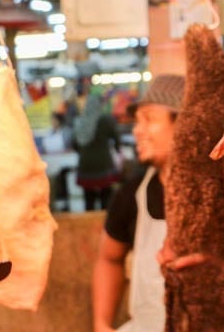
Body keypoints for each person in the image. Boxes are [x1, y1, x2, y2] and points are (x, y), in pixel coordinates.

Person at [92, 74, 184, 332]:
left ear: (184, 125)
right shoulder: (132, 193)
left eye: (149, 119)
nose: (136, 131)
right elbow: (109, 258)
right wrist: (101, 324)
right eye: (137, 121)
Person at [74, 94, 122, 211]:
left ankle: (89, 224)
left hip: (86, 166)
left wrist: (84, 153)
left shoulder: (81, 121)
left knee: (89, 200)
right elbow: (116, 138)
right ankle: (105, 226)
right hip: (103, 164)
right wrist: (117, 149)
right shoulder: (105, 120)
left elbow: (74, 144)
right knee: (106, 198)